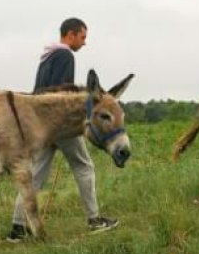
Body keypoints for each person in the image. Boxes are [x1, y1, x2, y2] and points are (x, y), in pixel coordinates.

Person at [6, 17, 119, 242]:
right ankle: (94, 220)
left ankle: (17, 228)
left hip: (42, 126)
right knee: (84, 166)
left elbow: (41, 92)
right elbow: (62, 95)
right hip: (61, 125)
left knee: (35, 176)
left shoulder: (46, 57)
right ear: (70, 35)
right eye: (83, 37)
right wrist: (71, 124)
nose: (84, 42)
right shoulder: (66, 55)